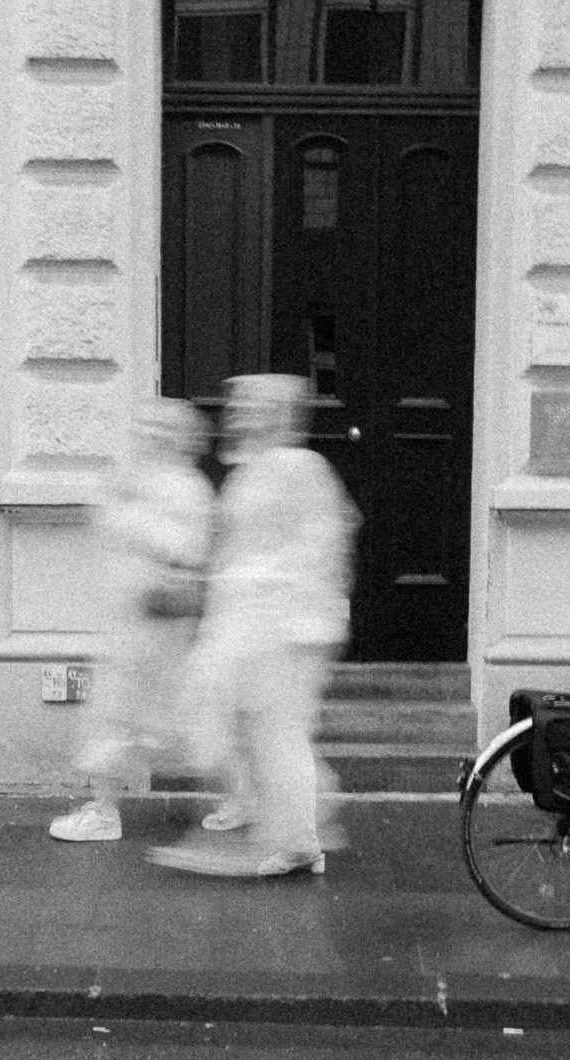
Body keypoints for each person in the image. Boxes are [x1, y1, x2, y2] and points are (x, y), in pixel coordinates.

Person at [149, 374, 357, 878]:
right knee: (262, 728)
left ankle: (299, 838)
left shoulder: (299, 467)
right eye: (236, 406)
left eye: (248, 406)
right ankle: (301, 824)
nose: (236, 414)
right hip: (257, 624)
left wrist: (253, 589)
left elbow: (324, 541)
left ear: (277, 414)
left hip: (291, 628)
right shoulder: (252, 470)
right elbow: (236, 549)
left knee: (277, 731)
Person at [48, 400, 217, 843]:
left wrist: (130, 517)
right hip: (135, 623)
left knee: (118, 715)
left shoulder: (186, 487)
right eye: (146, 425)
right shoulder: (139, 480)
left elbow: (186, 549)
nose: (151, 434)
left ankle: (104, 813)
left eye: (163, 428)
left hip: (152, 624)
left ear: (184, 438)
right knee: (163, 720)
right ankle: (240, 796)